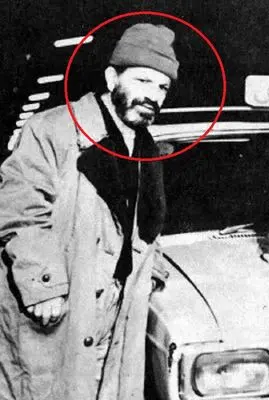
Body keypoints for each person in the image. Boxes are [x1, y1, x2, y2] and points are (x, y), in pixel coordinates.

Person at [0, 23, 177, 400]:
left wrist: (153, 273)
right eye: (143, 80)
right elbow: (19, 207)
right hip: (62, 303)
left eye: (162, 87)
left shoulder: (145, 147)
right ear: (112, 78)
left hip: (115, 310)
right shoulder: (53, 129)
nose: (153, 96)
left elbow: (145, 226)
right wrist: (43, 283)